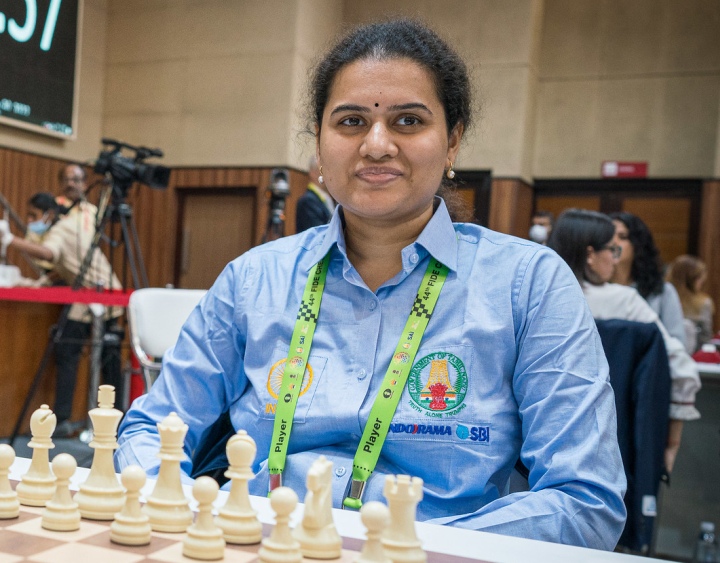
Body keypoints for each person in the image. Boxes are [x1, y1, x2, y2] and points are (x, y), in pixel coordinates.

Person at [115, 19, 626, 549]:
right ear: (319, 142)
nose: (377, 145)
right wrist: (168, 503)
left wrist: (401, 551)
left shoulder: (529, 285)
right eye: (351, 121)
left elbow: (584, 500)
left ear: (452, 142)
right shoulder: (253, 279)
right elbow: (150, 428)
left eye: (408, 120)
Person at [547, 208, 701, 474]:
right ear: (590, 255)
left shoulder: (538, 295)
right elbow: (683, 370)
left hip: (538, 437)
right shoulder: (625, 301)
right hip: (610, 440)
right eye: (611, 250)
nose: (615, 260)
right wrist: (671, 443)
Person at [0, 163, 124, 437]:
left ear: (49, 213)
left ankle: (99, 418)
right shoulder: (69, 223)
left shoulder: (63, 228)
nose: (33, 220)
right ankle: (74, 416)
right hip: (84, 295)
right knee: (73, 352)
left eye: (35, 216)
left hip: (103, 296)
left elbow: (48, 253)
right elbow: (62, 267)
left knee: (104, 358)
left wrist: (10, 240)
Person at [609, 212, 687, 347]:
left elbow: (678, 342)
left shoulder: (663, 292)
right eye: (608, 236)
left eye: (622, 237)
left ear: (637, 245)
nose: (613, 242)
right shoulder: (592, 290)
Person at [667, 255, 716, 352]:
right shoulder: (703, 303)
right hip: (693, 357)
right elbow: (706, 339)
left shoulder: (662, 297)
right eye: (700, 282)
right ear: (691, 280)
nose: (701, 285)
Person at [295, 156, 335, 232]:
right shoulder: (307, 201)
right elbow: (317, 233)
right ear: (312, 173)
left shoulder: (326, 199)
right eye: (323, 170)